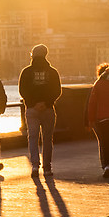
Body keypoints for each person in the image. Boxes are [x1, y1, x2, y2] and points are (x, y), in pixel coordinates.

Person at [17, 44, 63, 177]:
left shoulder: (26, 72)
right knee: (48, 139)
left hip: (32, 110)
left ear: (33, 55)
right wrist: (47, 103)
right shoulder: (53, 72)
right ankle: (47, 168)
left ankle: (35, 166)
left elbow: (22, 90)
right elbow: (57, 90)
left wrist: (33, 104)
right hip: (48, 109)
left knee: (32, 138)